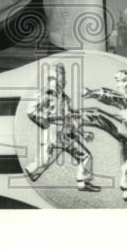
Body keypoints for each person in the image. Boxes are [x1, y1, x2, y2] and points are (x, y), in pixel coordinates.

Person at [24, 63, 100, 192]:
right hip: (53, 129)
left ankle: (83, 182)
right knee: (46, 158)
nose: (59, 81)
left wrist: (82, 133)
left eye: (60, 78)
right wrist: (46, 121)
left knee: (85, 155)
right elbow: (30, 111)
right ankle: (30, 171)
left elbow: (69, 117)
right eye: (53, 78)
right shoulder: (44, 94)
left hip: (66, 131)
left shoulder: (65, 98)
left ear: (64, 81)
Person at [83, 69, 127, 201]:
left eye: (118, 81)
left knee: (97, 115)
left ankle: (73, 119)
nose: (117, 84)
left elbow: (114, 97)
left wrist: (93, 93)